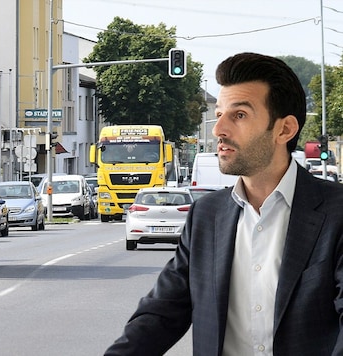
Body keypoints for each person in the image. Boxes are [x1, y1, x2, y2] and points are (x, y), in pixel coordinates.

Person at [105, 52, 343, 355]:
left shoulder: (336, 213)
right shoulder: (206, 215)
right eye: (219, 114)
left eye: (239, 115)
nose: (219, 130)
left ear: (284, 129)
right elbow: (161, 313)